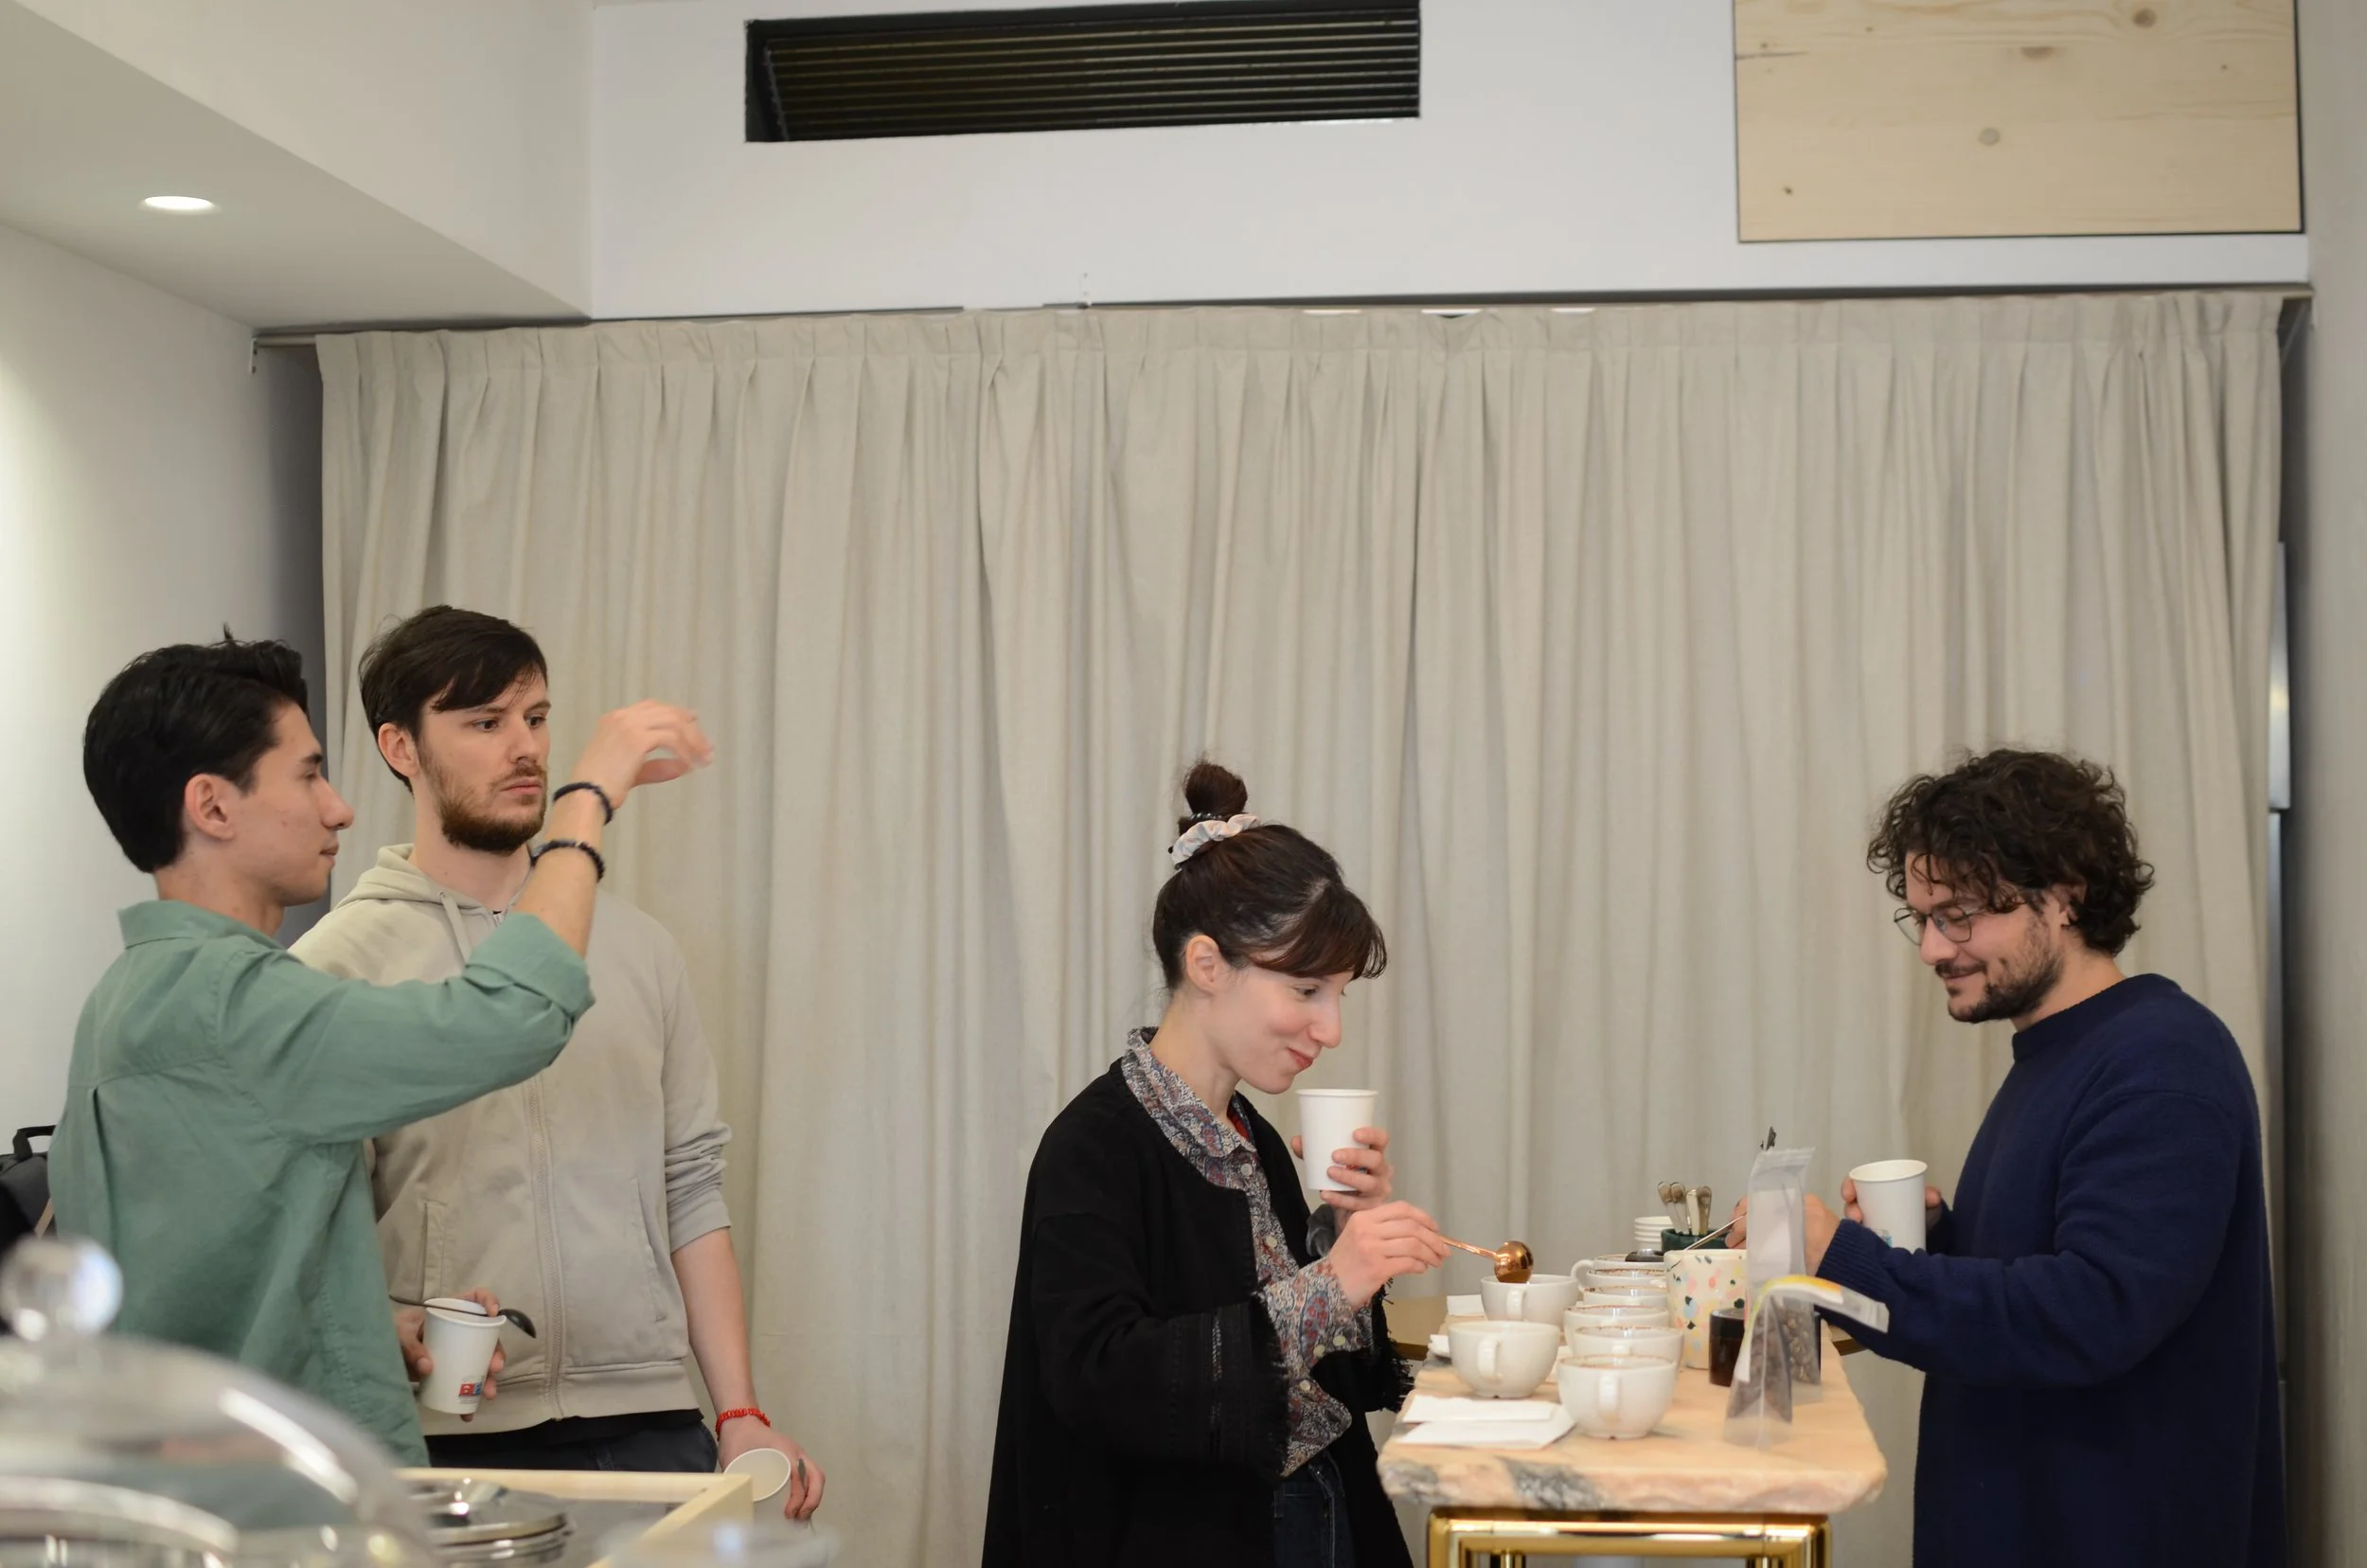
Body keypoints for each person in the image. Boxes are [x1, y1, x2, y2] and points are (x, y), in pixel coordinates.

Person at [50, 633, 709, 1464]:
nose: (340, 807)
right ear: (213, 806)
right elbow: (514, 1018)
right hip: (264, 1498)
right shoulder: (235, 1004)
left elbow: (209, 1272)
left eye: (535, 720)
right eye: (307, 775)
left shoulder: (131, 998)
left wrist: (362, 1330)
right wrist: (586, 804)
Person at [292, 608, 821, 1514]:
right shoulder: (340, 964)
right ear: (400, 746)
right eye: (484, 723)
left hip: (652, 1417)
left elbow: (689, 1181)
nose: (523, 748)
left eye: (535, 718)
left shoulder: (640, 949)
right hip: (449, 1435)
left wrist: (737, 1408)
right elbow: (309, 1232)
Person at [1743, 749, 2283, 1566]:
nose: (1933, 949)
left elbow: (2093, 1313)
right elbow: (2051, 1274)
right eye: (1922, 918)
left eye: (1960, 915)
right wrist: (1941, 1242)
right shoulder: (2060, 1055)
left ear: (2063, 896)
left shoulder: (2164, 1062)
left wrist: (1845, 1260)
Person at [985, 762, 1448, 1568]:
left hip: (1321, 1509)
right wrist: (1331, 1281)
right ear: (1206, 965)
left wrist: (1343, 1231)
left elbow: (1324, 1375)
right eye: (1307, 990)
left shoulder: (1252, 1137)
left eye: (1338, 995)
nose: (1330, 1028)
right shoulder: (1093, 1148)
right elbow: (1097, 1378)